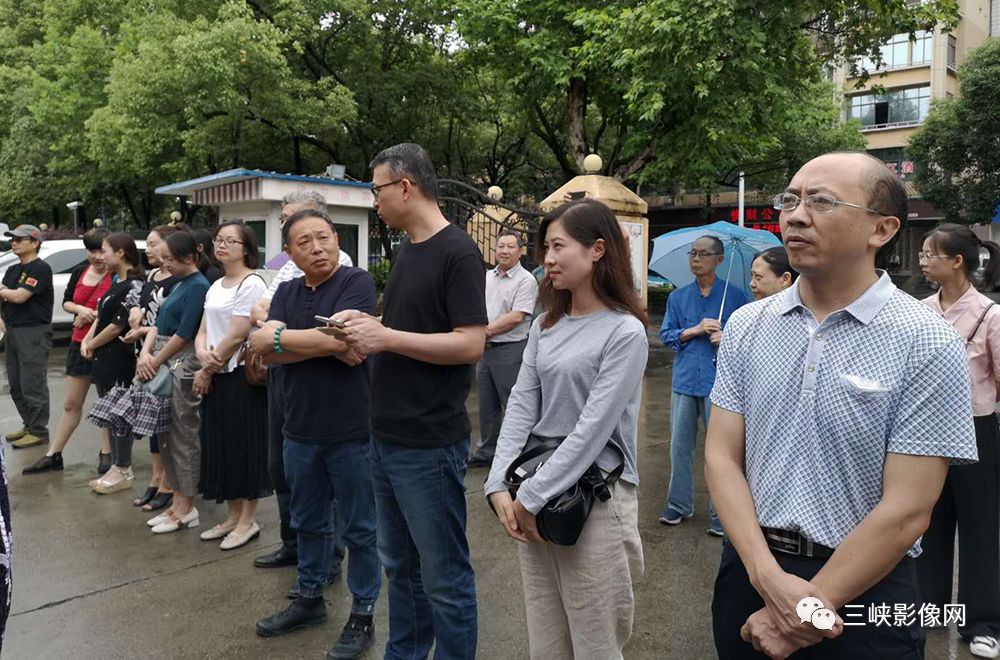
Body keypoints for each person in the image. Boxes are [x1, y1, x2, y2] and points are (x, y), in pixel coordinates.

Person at [706, 152, 977, 659]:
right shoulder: (749, 325)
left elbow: (908, 509)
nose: (795, 214)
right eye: (790, 200)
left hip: (864, 593)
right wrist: (768, 579)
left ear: (882, 229)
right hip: (750, 571)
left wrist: (803, 613)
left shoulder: (927, 341)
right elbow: (722, 457)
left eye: (822, 201)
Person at [336, 143, 485, 659]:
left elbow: (470, 343)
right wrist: (369, 330)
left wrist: (387, 337)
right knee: (400, 568)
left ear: (405, 186)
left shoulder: (458, 251)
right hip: (385, 436)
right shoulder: (406, 249)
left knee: (444, 577)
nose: (372, 199)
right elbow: (402, 330)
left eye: (375, 188)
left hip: (427, 443)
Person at [485, 199, 648, 659]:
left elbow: (592, 430)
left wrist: (529, 499)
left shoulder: (625, 332)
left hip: (593, 502)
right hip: (534, 494)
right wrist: (499, 483)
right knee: (547, 641)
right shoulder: (546, 326)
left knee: (596, 645)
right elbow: (521, 403)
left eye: (557, 247)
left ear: (598, 249)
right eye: (545, 248)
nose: (547, 259)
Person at [252, 208, 380, 659]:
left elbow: (351, 342)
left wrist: (284, 339)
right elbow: (263, 349)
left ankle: (362, 613)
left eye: (323, 237)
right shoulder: (286, 290)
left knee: (361, 528)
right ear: (289, 252)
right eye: (304, 242)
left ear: (336, 239)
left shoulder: (356, 282)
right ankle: (309, 598)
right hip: (299, 429)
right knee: (307, 520)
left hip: (352, 431)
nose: (317, 247)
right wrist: (319, 343)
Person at [250, 192, 346, 593]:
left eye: (291, 218)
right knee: (284, 469)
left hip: (325, 395)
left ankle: (329, 558)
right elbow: (261, 319)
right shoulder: (287, 268)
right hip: (285, 384)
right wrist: (275, 335)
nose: (285, 227)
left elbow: (335, 341)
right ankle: (296, 545)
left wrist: (277, 336)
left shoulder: (343, 269)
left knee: (328, 483)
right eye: (285, 225)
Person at [917, 223, 1000, 659]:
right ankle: (928, 609)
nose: (923, 259)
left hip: (976, 431)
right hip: (927, 432)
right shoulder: (920, 310)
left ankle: (982, 622)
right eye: (923, 252)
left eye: (931, 253)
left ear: (958, 262)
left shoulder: (990, 314)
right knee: (927, 522)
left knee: (980, 529)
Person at [659, 234, 750, 536]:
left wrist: (727, 339)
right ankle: (678, 504)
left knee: (721, 453)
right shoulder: (678, 297)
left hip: (720, 384)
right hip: (685, 380)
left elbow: (748, 338)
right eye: (692, 253)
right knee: (680, 447)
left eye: (703, 254)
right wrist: (693, 330)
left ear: (719, 259)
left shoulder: (735, 297)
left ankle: (720, 513)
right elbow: (667, 335)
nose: (696, 259)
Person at [193, 221, 270, 550]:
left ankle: (247, 521)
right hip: (214, 373)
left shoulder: (251, 284)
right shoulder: (216, 284)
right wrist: (202, 357)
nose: (221, 245)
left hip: (239, 378)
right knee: (220, 446)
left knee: (244, 447)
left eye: (230, 241)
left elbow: (238, 333)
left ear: (246, 248)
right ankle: (231, 516)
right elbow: (203, 329)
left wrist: (208, 369)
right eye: (218, 239)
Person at [22, 228, 111, 471]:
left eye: (102, 251)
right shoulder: (81, 271)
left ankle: (107, 452)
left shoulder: (117, 275)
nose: (97, 257)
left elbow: (120, 309)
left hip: (106, 345)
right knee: (71, 403)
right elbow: (67, 301)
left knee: (106, 402)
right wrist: (80, 311)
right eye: (92, 251)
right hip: (77, 343)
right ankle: (54, 454)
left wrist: (92, 318)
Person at [141, 232, 210, 534]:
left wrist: (155, 361)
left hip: (181, 359)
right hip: (165, 357)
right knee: (166, 433)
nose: (165, 263)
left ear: (190, 257)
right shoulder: (182, 283)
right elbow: (158, 324)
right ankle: (176, 501)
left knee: (183, 434)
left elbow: (185, 333)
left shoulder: (197, 286)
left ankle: (187, 505)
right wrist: (147, 352)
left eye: (170, 259)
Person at [125, 224, 187, 511]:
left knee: (165, 421)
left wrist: (152, 354)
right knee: (150, 421)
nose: (149, 250)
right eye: (148, 245)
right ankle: (156, 477)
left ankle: (168, 483)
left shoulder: (180, 280)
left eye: (153, 244)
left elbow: (175, 326)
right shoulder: (151, 275)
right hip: (146, 352)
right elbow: (140, 305)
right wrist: (135, 312)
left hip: (163, 355)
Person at [467, 229, 538, 469]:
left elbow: (517, 316)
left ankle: (518, 455)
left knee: (514, 404)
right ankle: (487, 451)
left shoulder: (526, 280)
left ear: (520, 251)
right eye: (500, 246)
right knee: (487, 405)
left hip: (511, 349)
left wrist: (482, 332)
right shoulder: (486, 277)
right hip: (485, 350)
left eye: (510, 246)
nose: (504, 250)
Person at [81, 233, 146, 494]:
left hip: (120, 357)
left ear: (120, 253)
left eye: (105, 251)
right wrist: (87, 340)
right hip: (103, 358)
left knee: (121, 414)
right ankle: (117, 466)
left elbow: (117, 325)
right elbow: (100, 318)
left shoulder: (134, 284)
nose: (101, 256)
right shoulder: (115, 281)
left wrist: (92, 343)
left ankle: (123, 467)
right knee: (110, 412)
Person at [1, 225, 54, 449]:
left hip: (33, 331)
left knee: (33, 383)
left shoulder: (40, 269)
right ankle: (29, 423)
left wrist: (4, 291)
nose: (14, 242)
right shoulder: (13, 270)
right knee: (16, 384)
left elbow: (20, 296)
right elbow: (6, 296)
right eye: (13, 239)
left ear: (34, 243)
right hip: (13, 330)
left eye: (20, 239)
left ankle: (39, 430)